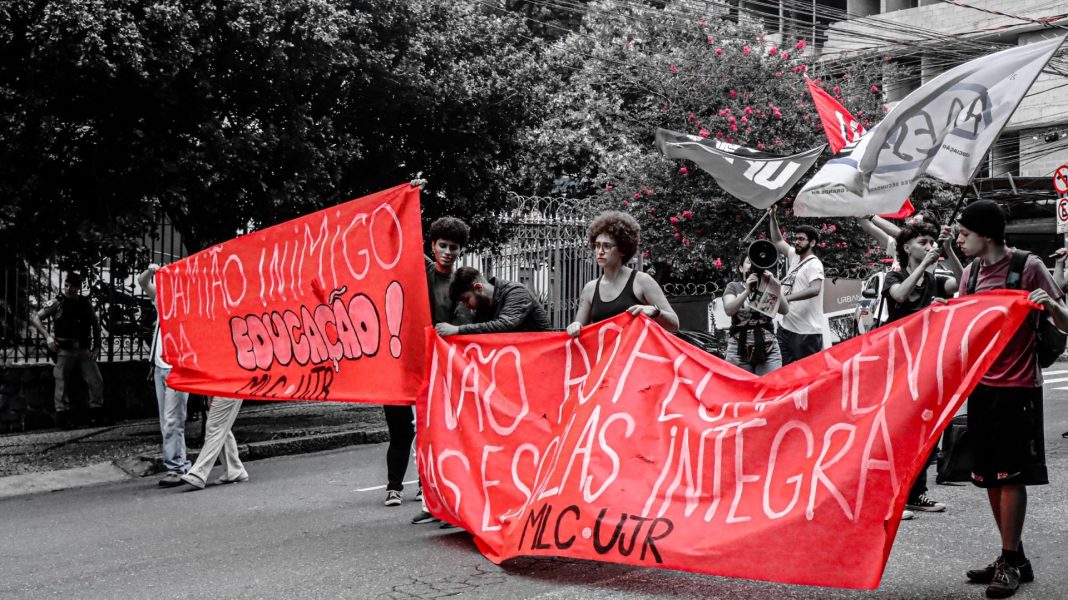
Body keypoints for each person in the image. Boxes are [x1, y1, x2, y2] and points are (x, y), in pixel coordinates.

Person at [955, 200, 1068, 598]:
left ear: (986, 234)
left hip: (1019, 388)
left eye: (965, 233)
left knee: (1011, 475)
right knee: (988, 475)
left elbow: (1065, 321)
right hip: (983, 388)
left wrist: (1051, 304)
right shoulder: (969, 274)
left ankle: (1009, 559)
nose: (959, 239)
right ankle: (1013, 556)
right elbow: (966, 327)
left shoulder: (1028, 267)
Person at [401, 184, 473, 525]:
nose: (447, 252)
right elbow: (401, 236)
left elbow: (467, 320)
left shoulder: (462, 282)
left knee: (451, 435)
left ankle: (452, 505)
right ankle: (431, 502)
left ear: (460, 251)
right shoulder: (424, 270)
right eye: (442, 246)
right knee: (425, 435)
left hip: (450, 366)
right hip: (422, 364)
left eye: (453, 248)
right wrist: (411, 196)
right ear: (433, 246)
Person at [882, 223, 960, 519]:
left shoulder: (936, 279)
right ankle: (891, 498)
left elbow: (965, 283)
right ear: (906, 248)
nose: (929, 247)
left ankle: (915, 493)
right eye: (923, 242)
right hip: (897, 364)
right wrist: (925, 266)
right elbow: (899, 296)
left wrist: (949, 249)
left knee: (927, 431)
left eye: (931, 243)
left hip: (927, 364)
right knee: (896, 432)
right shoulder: (895, 275)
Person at [566, 211, 678, 337]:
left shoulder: (642, 281)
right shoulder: (590, 289)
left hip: (635, 355)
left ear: (623, 250)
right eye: (597, 245)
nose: (600, 252)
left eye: (607, 246)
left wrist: (655, 312)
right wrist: (574, 326)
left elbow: (674, 324)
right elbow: (578, 329)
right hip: (605, 356)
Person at [138, 264, 192, 487]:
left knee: (172, 419)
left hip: (177, 368)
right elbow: (142, 283)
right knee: (166, 420)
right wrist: (151, 271)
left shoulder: (187, 305)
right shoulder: (162, 300)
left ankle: (176, 467)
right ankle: (180, 463)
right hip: (161, 366)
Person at [29, 272, 105, 428]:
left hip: (83, 349)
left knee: (95, 381)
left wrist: (97, 346)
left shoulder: (84, 303)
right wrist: (48, 337)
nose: (68, 288)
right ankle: (63, 417)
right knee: (61, 383)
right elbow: (36, 318)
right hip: (64, 349)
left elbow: (95, 324)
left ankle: (96, 415)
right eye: (66, 285)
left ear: (78, 287)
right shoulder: (58, 302)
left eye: (72, 286)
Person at [768, 210, 825, 365]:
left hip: (806, 332)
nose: (797, 242)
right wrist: (772, 217)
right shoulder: (794, 256)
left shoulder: (814, 264)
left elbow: (815, 289)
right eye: (795, 239)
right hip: (785, 328)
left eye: (801, 239)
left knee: (809, 375)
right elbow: (777, 240)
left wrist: (787, 298)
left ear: (812, 243)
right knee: (785, 372)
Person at [721, 253, 788, 375]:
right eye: (749, 262)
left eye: (756, 262)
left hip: (768, 348)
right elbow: (729, 310)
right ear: (741, 268)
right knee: (741, 390)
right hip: (738, 348)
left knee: (770, 388)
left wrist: (775, 285)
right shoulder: (733, 286)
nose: (753, 266)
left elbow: (784, 310)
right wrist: (747, 290)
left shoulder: (770, 285)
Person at [437, 267, 551, 335]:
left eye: (466, 299)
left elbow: (505, 324)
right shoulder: (483, 308)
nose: (466, 305)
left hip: (540, 358)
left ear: (478, 288)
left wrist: (458, 330)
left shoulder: (516, 292)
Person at [179, 396, 248, 490]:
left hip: (226, 388)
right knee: (221, 427)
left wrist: (210, 396)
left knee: (215, 427)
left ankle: (199, 473)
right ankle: (234, 470)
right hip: (226, 388)